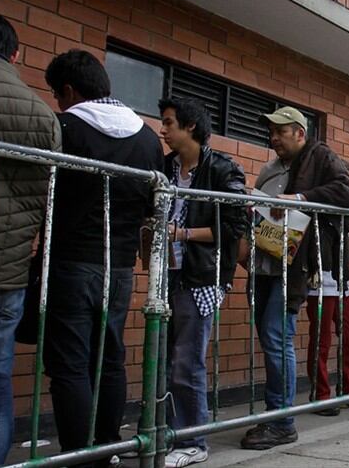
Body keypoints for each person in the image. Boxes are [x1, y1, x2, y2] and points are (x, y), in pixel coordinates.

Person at [42, 50, 164, 463]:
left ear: (70, 91)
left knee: (71, 362)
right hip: (120, 266)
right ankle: (110, 444)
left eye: (57, 94)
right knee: (110, 355)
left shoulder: (65, 127)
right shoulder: (148, 138)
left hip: (72, 261)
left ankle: (78, 453)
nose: (59, 103)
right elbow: (152, 205)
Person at [240, 107, 349, 449]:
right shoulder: (268, 169)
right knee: (269, 336)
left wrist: (299, 198)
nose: (273, 138)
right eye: (271, 132)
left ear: (299, 133)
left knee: (279, 335)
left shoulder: (318, 156)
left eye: (280, 131)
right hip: (264, 262)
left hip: (294, 266)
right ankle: (273, 414)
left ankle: (282, 421)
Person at [0, 11, 61, 467]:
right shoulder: (41, 114)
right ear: (15, 53)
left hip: (9, 269)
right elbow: (45, 198)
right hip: (8, 270)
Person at [159, 97, 248, 467]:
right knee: (165, 359)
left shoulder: (222, 168)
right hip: (168, 274)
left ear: (190, 127)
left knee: (187, 361)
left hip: (201, 276)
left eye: (168, 123)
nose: (162, 130)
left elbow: (235, 228)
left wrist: (183, 234)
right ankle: (171, 433)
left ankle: (194, 440)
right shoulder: (164, 167)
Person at [305, 162, 349, 416]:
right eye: (344, 182)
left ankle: (347, 388)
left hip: (341, 279)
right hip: (321, 278)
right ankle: (321, 394)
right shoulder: (321, 204)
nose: (348, 188)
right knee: (321, 339)